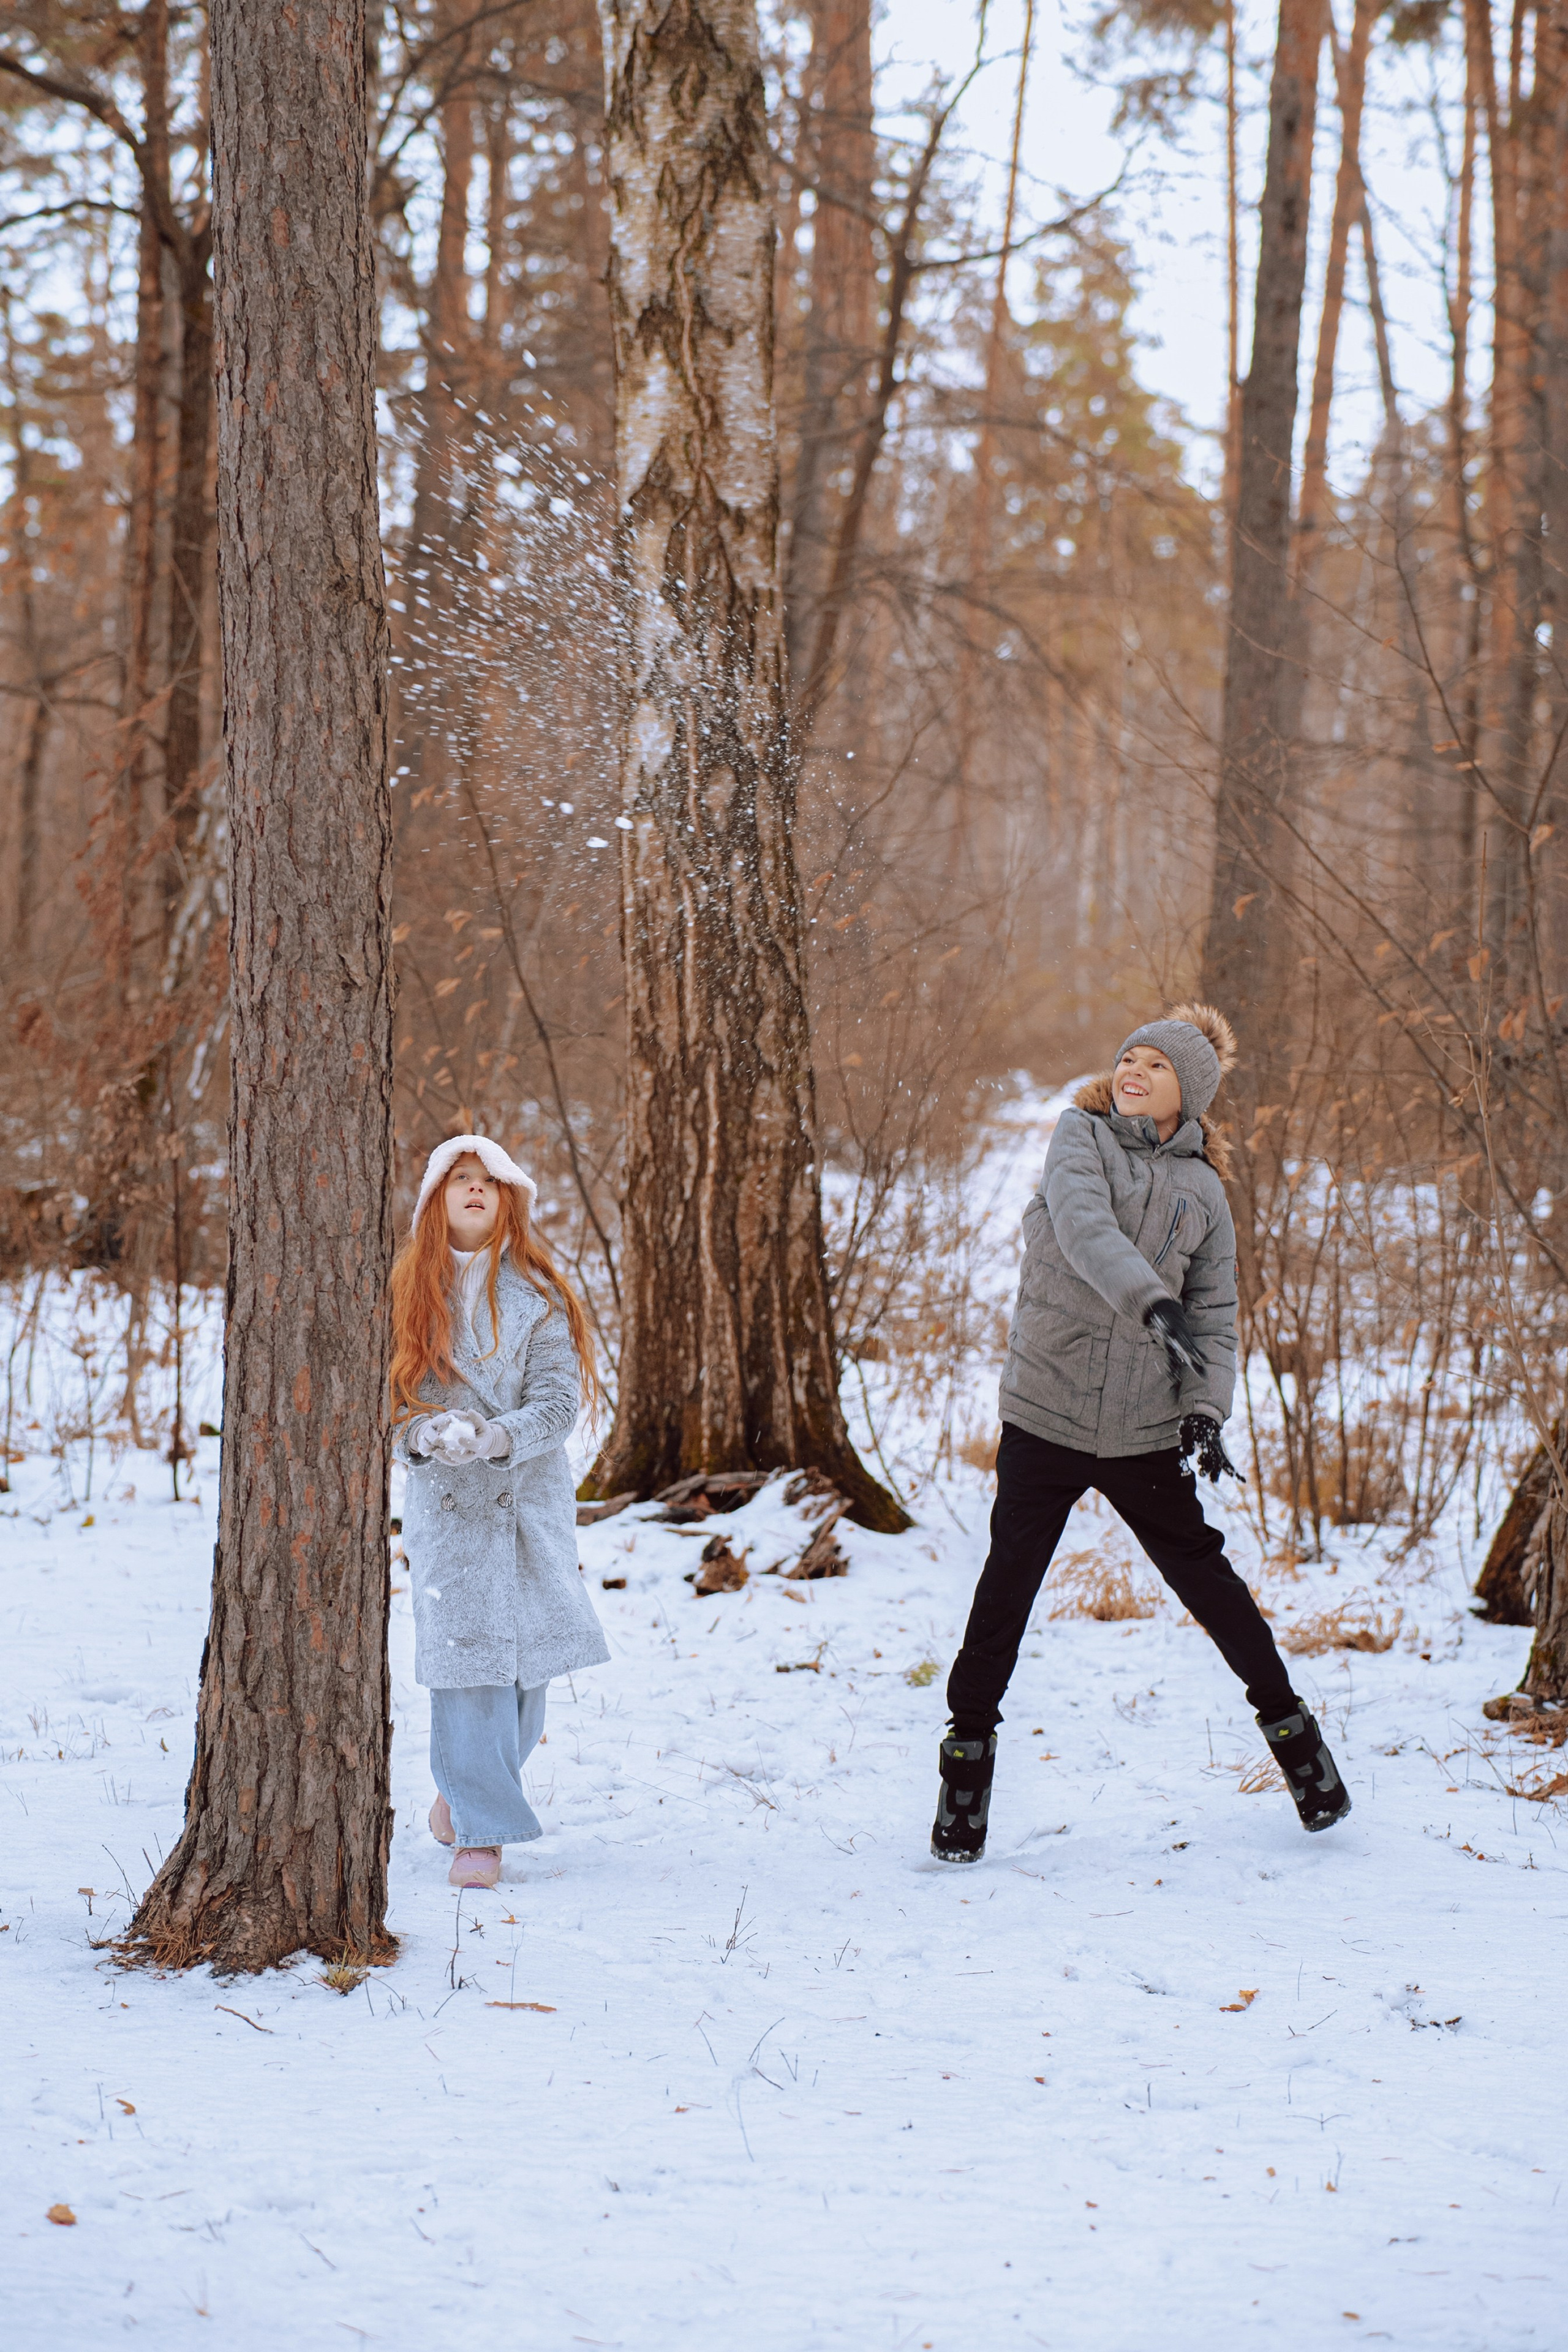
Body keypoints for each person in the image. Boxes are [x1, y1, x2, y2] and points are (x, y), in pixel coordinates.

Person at [932, 1005, 1350, 1864]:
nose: (1136, 1070)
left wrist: (1205, 1408)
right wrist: (1149, 1299)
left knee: (1210, 1583)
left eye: (1158, 1066)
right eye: (1132, 1056)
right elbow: (1085, 1230)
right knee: (1006, 1588)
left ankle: (1299, 1748)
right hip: (1046, 1412)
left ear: (1186, 1093)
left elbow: (1216, 1312)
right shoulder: (1078, 1136)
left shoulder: (1206, 1193)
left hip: (1141, 1427)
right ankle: (964, 1775)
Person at [391, 1134, 609, 1890]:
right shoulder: (407, 1295)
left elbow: (557, 1404)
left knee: (525, 1679)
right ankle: (481, 1834)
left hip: (527, 1507)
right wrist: (427, 1432)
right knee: (467, 1670)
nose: (475, 1190)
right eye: (460, 1180)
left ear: (510, 1199)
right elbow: (394, 1404)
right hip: (451, 1514)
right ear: (436, 1200)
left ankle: (465, 1791)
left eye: (489, 1180)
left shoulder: (540, 1296)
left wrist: (496, 1435)